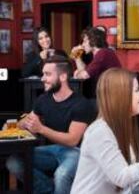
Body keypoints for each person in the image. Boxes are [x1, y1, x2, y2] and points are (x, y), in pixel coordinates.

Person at [71, 68, 139, 194]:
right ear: (120, 96)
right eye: (136, 91)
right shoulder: (99, 131)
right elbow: (122, 177)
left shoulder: (121, 126)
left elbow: (131, 179)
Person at [7, 55, 96, 194]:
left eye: (47, 74)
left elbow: (72, 140)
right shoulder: (43, 99)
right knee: (14, 161)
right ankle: (49, 189)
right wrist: (22, 124)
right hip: (51, 151)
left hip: (76, 152)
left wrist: (41, 129)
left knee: (61, 175)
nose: (42, 78)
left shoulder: (81, 104)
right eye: (43, 74)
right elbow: (29, 121)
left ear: (63, 77)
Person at [71, 27, 121, 96]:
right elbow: (84, 71)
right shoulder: (101, 53)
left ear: (93, 40)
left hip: (114, 93)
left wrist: (77, 74)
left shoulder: (102, 53)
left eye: (85, 41)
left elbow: (84, 75)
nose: (82, 44)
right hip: (108, 93)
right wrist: (77, 57)